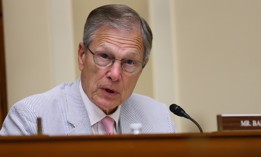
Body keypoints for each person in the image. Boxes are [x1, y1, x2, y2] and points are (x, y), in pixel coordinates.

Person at [0, 4, 175, 135]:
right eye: (104, 57)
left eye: (129, 62)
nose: (115, 74)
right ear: (82, 56)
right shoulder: (29, 117)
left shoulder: (159, 118)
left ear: (141, 69)